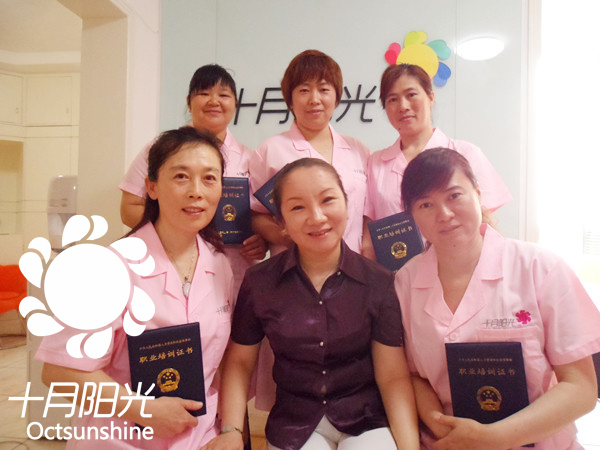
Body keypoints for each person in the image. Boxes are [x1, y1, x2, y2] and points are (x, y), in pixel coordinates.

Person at [38, 127, 235, 449]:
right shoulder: (107, 269)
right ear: (151, 187)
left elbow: (219, 363)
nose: (196, 191)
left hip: (198, 438)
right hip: (120, 440)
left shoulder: (220, 265)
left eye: (209, 178)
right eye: (181, 177)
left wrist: (229, 431)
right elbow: (59, 372)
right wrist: (142, 409)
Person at [202, 158, 419, 450]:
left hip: (366, 419)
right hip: (294, 422)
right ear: (281, 222)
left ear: (347, 205)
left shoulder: (379, 281)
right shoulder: (260, 281)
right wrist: (231, 430)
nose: (317, 217)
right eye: (297, 207)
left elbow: (392, 377)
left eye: (327, 200)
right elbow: (240, 362)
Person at [395, 147, 600, 449]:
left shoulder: (540, 268)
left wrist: (492, 438)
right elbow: (414, 376)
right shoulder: (406, 281)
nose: (445, 214)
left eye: (454, 196)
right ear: (412, 216)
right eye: (426, 205)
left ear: (478, 193)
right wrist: (448, 432)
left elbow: (581, 387)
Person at [119, 64, 266, 295]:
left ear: (235, 105)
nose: (214, 101)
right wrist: (182, 229)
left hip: (235, 273)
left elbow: (257, 216)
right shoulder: (160, 149)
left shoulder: (250, 158)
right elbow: (130, 207)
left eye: (223, 95)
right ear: (189, 102)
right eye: (204, 93)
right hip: (171, 264)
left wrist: (260, 240)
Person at [249, 49, 370, 257]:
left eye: (324, 89)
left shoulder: (358, 150)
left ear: (336, 96)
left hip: (353, 267)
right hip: (293, 266)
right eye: (304, 90)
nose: (315, 99)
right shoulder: (270, 151)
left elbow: (368, 215)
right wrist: (291, 238)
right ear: (290, 99)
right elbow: (256, 214)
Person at [365, 64, 511, 224]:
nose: (403, 106)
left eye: (411, 95)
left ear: (431, 98)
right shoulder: (375, 163)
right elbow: (370, 224)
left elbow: (485, 222)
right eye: (393, 99)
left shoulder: (466, 153)